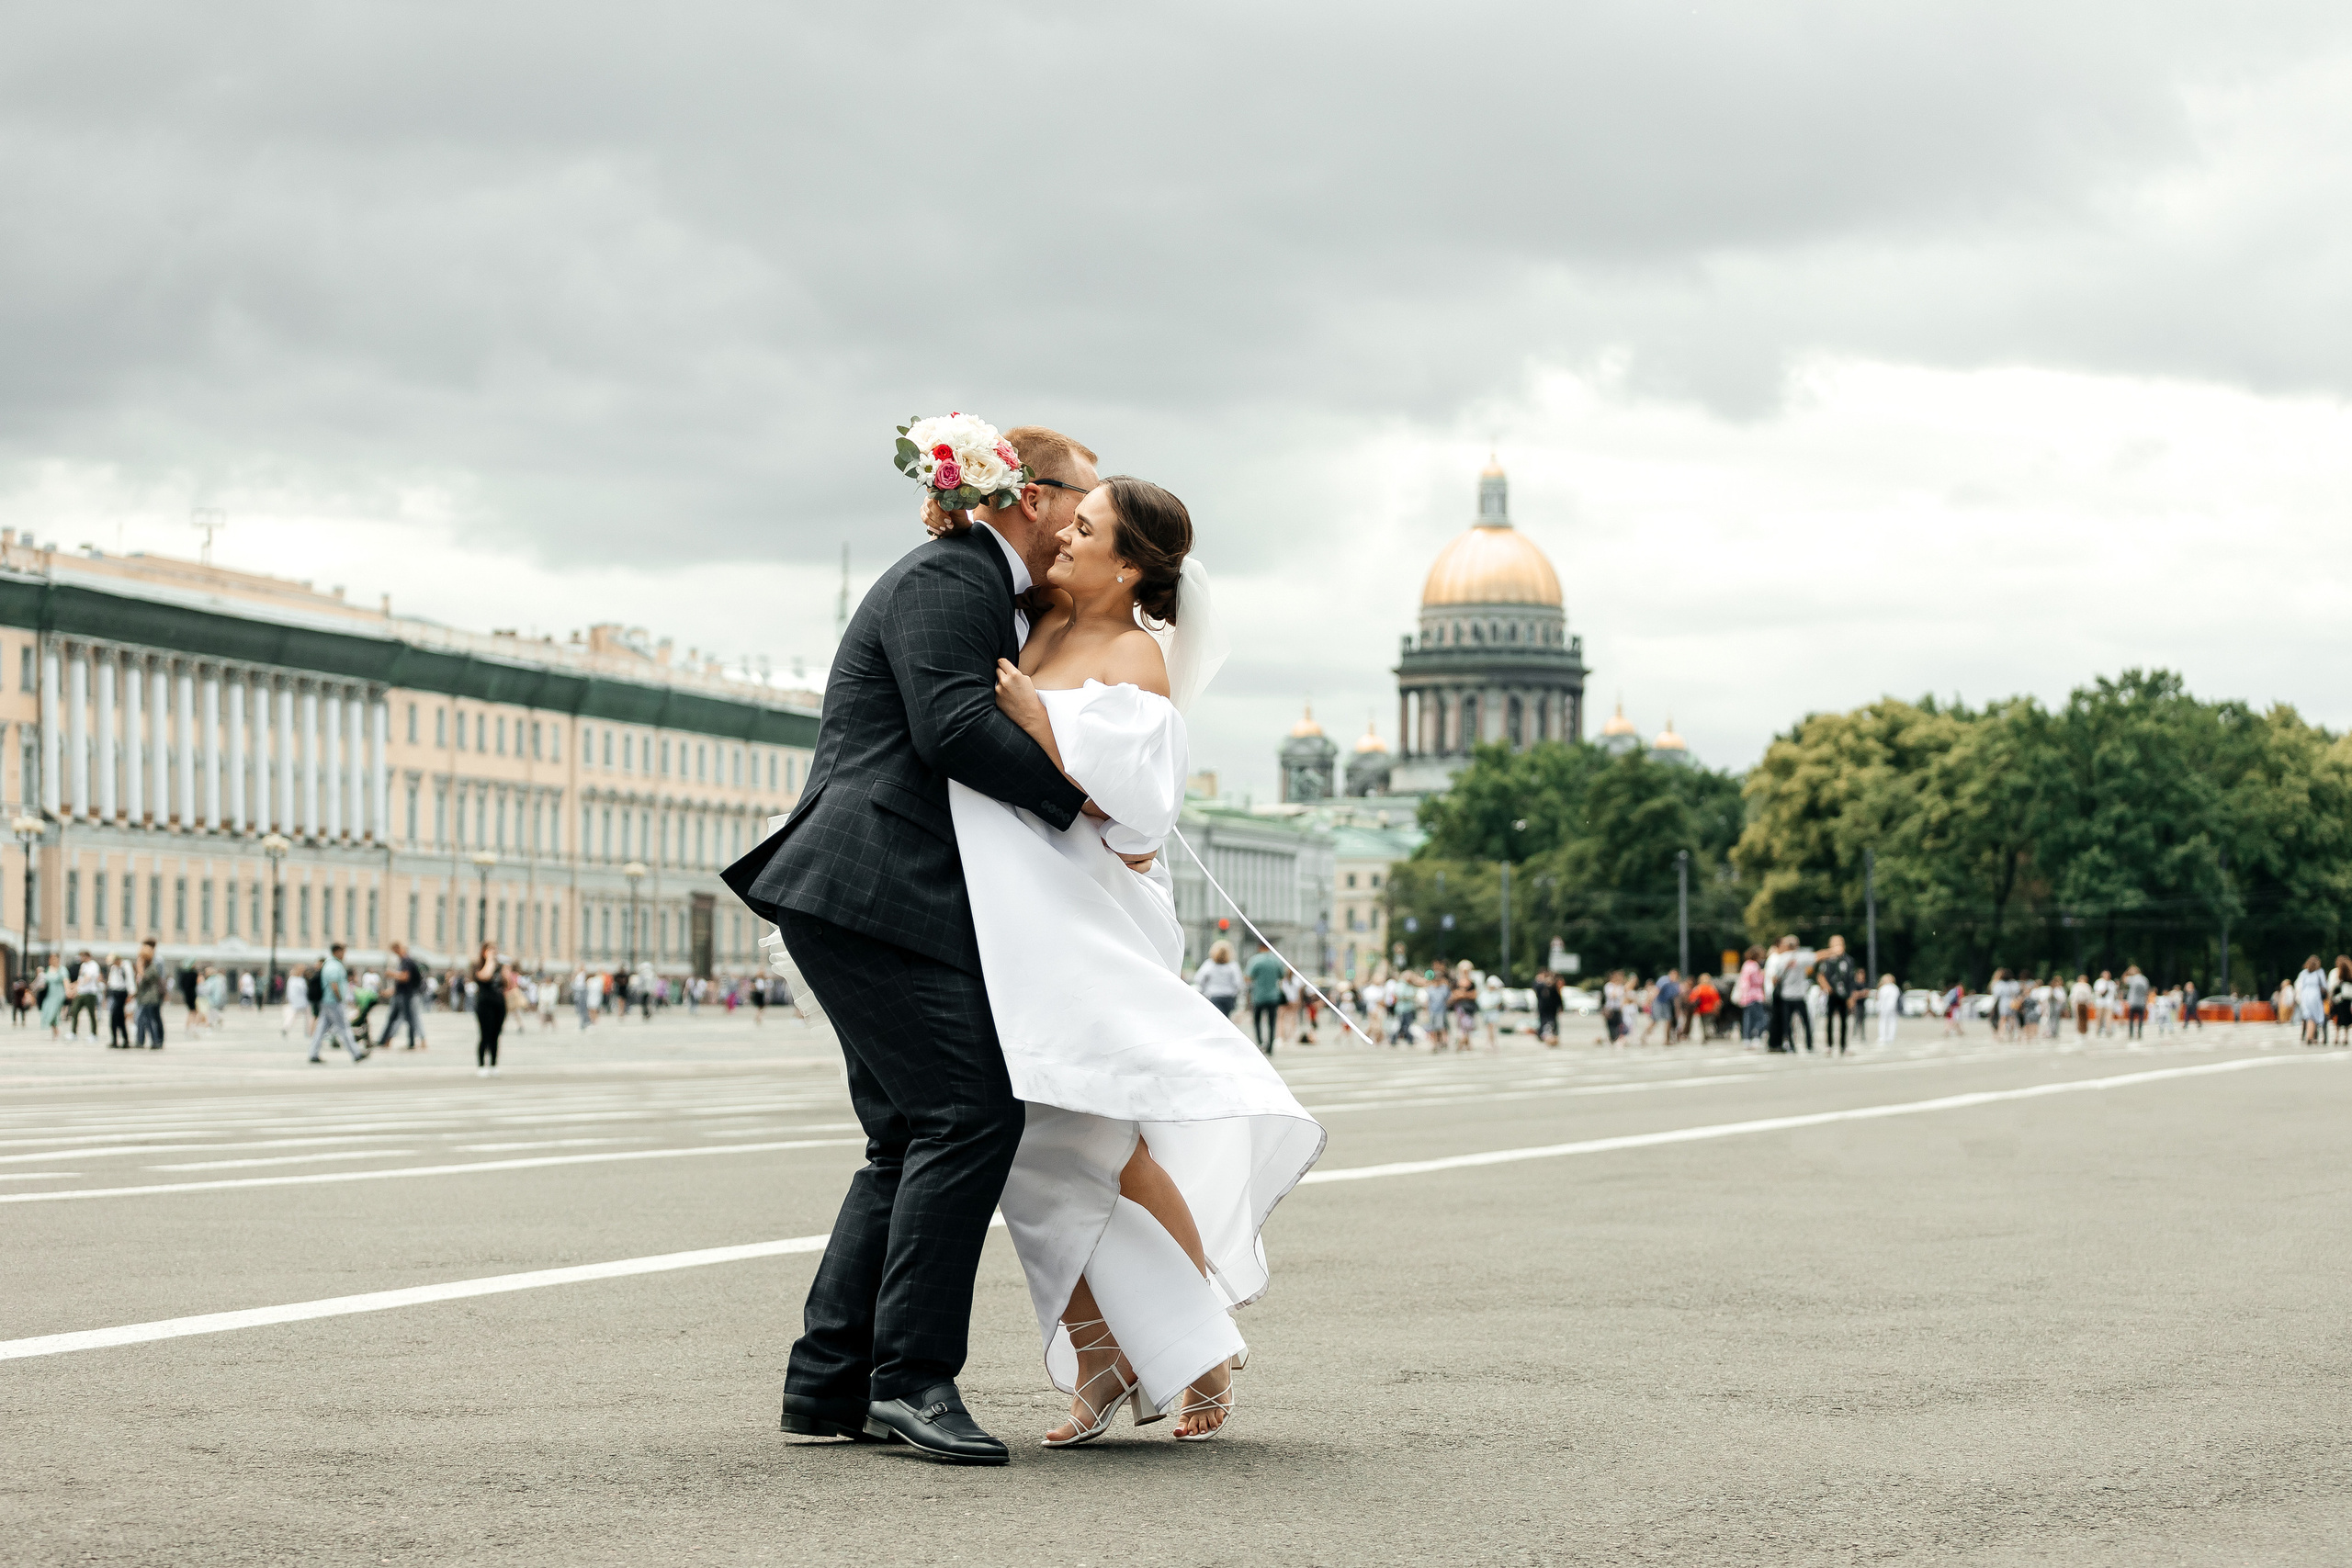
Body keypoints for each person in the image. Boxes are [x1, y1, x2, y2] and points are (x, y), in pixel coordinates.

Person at [722, 430, 1149, 1463]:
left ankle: (831, 1386)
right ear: (1032, 497)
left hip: (870, 888)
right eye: (1083, 502)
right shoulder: (954, 574)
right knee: (969, 1113)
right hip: (875, 884)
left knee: (910, 1134)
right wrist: (1082, 802)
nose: (1087, 522)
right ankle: (912, 1380)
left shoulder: (974, 583)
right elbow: (951, 727)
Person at [952, 472, 1321, 1447]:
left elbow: (1142, 822)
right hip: (1018, 906)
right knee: (1028, 1138)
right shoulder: (1039, 618)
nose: (1062, 537)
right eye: (1064, 522)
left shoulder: (1132, 654)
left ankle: (1193, 1344)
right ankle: (1105, 1350)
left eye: (1085, 529)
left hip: (1093, 912)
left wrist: (1043, 720)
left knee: (1108, 1139)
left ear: (1127, 566)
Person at [308, 944, 366, 1064]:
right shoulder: (334, 965)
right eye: (343, 952)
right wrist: (339, 998)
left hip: (328, 1001)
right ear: (337, 952)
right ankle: (356, 1054)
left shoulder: (329, 964)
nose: (344, 954)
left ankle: (313, 1053)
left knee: (321, 1029)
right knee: (344, 1027)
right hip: (333, 1002)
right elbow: (334, 984)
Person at [378, 940, 429, 1050]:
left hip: (409, 995)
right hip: (402, 994)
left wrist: (392, 974)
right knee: (399, 1017)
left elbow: (405, 977)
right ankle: (386, 1040)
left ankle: (411, 1041)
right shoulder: (403, 962)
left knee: (409, 1018)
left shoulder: (407, 962)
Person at [472, 942, 512, 1076]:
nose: (493, 953)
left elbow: (506, 984)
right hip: (484, 1004)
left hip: (499, 1004)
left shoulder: (500, 967)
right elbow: (485, 976)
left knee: (496, 1035)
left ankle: (494, 1064)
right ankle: (482, 1065)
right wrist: (489, 961)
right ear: (484, 952)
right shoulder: (478, 966)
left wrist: (506, 971)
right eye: (490, 951)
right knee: (485, 1035)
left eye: (494, 951)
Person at [1245, 940, 1285, 1056]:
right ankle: (1271, 1047)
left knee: (1257, 1021)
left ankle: (1260, 1042)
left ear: (1260, 947)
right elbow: (1281, 975)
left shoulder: (1255, 960)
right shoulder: (1276, 960)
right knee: (1272, 1022)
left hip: (1258, 996)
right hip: (1273, 996)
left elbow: (1248, 977)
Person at [1816, 936, 1856, 1052]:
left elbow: (1851, 979)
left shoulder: (1848, 960)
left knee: (1844, 1021)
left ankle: (1843, 1045)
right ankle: (1829, 1044)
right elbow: (1820, 975)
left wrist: (1851, 996)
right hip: (1832, 993)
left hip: (1844, 993)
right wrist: (1826, 987)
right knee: (1829, 1019)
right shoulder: (1828, 960)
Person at [1193, 940, 1243, 1022]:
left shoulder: (1209, 964)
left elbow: (1198, 979)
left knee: (1216, 1020)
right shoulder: (1233, 966)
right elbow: (1238, 983)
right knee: (1226, 1020)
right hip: (1229, 998)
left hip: (1213, 996)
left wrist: (1205, 988)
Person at [132, 941, 166, 1049]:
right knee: (143, 1019)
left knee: (150, 1019)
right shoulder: (146, 967)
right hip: (144, 998)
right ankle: (143, 1040)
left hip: (150, 998)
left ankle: (156, 1041)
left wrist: (140, 970)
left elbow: (152, 979)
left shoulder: (154, 965)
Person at [2294, 955, 2327, 1046]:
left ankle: (2309, 1035)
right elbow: (2324, 985)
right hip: (2315, 995)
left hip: (2305, 995)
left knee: (2308, 1016)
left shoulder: (2303, 973)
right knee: (2315, 1016)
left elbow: (2299, 985)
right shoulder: (2319, 972)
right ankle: (2311, 1036)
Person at [106, 952, 133, 1048]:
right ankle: (120, 1040)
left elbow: (130, 980)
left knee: (115, 1017)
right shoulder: (114, 968)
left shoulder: (125, 967)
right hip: (114, 993)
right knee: (119, 1018)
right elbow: (111, 981)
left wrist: (131, 994)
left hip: (122, 993)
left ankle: (121, 1040)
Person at [38, 954, 67, 1039]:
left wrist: (68, 991)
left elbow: (66, 981)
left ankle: (56, 1032)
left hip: (58, 994)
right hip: (49, 994)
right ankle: (55, 1030)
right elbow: (44, 981)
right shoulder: (48, 969)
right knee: (47, 1011)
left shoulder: (62, 969)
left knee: (53, 1013)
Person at [1532, 969, 1562, 1046]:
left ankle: (1554, 1034)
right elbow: (1536, 988)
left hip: (1552, 1007)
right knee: (1542, 1021)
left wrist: (1561, 1006)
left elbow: (1558, 997)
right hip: (1543, 1006)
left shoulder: (1553, 987)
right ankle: (1541, 1034)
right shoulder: (1540, 985)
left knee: (1553, 1021)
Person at [2123, 964, 2151, 1042]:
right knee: (2140, 1019)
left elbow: (2124, 979)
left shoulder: (2132, 978)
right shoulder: (2144, 979)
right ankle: (2139, 1033)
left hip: (2133, 1001)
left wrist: (2127, 971)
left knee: (2131, 1019)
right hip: (2142, 1002)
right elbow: (2147, 991)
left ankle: (2131, 1034)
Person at [1875, 972, 1902, 1045]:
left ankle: (1882, 1037)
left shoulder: (1883, 988)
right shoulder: (1895, 988)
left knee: (1882, 1022)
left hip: (1884, 1007)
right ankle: (1891, 1037)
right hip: (1893, 1007)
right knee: (1893, 1022)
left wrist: (1878, 1008)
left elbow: (1880, 999)